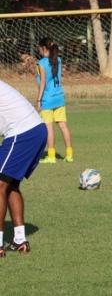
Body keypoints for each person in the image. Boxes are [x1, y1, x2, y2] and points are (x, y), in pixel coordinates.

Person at [0, 79, 48, 257]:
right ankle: (20, 240)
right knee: (11, 185)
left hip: (23, 133)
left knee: (0, 185)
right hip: (36, 130)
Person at [36, 37, 73, 164]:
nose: (38, 50)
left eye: (38, 47)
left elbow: (43, 83)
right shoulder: (58, 59)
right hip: (59, 97)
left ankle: (51, 156)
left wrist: (39, 100)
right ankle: (69, 155)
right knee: (63, 125)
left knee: (49, 127)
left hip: (47, 98)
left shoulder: (41, 63)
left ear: (44, 48)